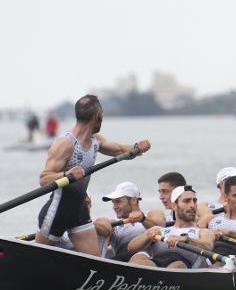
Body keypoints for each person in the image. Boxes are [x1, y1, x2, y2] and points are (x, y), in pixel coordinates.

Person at [36, 94, 151, 256]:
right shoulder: (65, 144)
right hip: (57, 212)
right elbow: (44, 179)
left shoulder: (96, 140)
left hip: (79, 210)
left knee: (95, 260)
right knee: (37, 258)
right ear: (98, 115)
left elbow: (120, 150)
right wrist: (66, 174)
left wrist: (137, 148)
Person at [128, 186, 215, 268]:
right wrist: (147, 236)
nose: (192, 205)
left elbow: (208, 246)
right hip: (156, 264)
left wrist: (187, 240)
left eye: (194, 201)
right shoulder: (159, 230)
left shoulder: (203, 232)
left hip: (182, 267)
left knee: (178, 265)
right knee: (138, 263)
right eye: (187, 201)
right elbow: (131, 248)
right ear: (174, 206)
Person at [94, 182, 146, 261]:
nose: (114, 207)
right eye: (113, 202)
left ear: (133, 201)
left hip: (145, 261)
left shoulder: (150, 218)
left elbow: (158, 222)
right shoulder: (114, 225)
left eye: (118, 202)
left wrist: (142, 218)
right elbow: (104, 226)